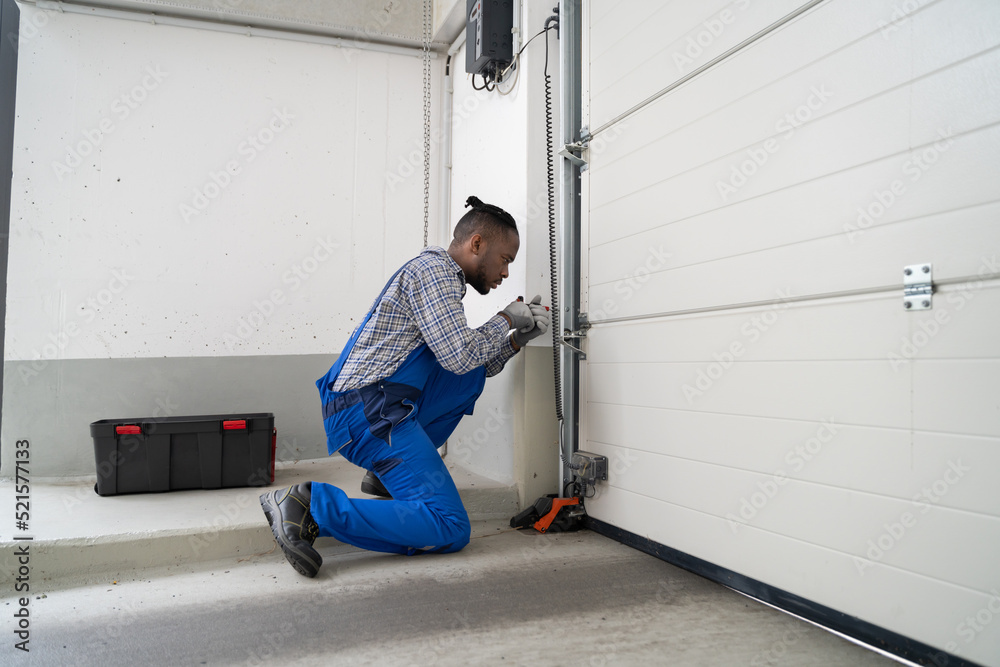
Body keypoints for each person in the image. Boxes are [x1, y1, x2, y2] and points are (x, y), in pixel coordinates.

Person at [259, 196, 550, 577]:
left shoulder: (445, 281)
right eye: (505, 259)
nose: (506, 273)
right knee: (450, 526)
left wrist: (515, 340)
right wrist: (503, 318)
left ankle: (384, 476)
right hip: (367, 413)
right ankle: (308, 507)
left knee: (468, 378)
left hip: (380, 406)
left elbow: (468, 366)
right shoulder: (434, 273)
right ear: (476, 244)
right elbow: (461, 354)